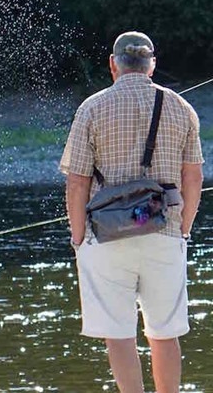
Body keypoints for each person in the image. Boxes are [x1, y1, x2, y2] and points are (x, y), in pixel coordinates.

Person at [60, 31, 204, 393]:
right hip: (165, 232)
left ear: (113, 65)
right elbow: (194, 176)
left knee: (118, 333)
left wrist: (79, 238)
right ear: (152, 64)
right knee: (165, 332)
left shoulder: (91, 107)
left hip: (106, 236)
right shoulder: (180, 108)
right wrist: (183, 228)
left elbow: (77, 184)